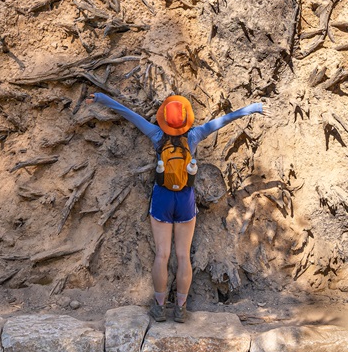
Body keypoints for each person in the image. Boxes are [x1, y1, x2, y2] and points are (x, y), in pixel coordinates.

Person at [88, 92, 264, 323]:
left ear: (164, 120)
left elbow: (128, 114)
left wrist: (101, 98)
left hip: (162, 197)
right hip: (185, 199)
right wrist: (252, 107)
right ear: (184, 119)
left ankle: (160, 307)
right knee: (183, 256)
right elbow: (224, 120)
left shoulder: (156, 135)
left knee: (162, 255)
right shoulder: (195, 134)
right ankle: (180, 308)